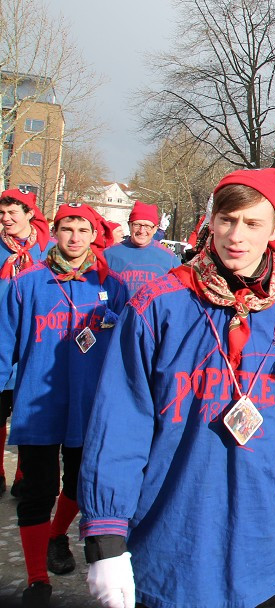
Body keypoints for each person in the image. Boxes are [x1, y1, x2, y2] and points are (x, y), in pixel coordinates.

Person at [78, 168, 275, 608]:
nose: (237, 236)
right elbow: (119, 427)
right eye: (227, 220)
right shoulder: (157, 306)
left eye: (252, 223)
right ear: (210, 222)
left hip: (262, 551)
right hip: (168, 548)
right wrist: (106, 538)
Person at [0, 203, 128, 607]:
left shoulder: (114, 285)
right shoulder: (27, 284)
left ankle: (58, 535)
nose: (74, 238)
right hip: (39, 405)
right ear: (53, 233)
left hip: (88, 408)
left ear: (95, 236)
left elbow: (130, 348)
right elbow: (4, 344)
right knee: (37, 490)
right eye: (66, 229)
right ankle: (38, 579)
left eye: (82, 230)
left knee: (77, 485)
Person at [0, 188, 53, 498]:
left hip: (35, 341)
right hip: (2, 338)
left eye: (12, 213)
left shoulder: (46, 251)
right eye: (2, 214)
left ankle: (24, 474)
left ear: (30, 214)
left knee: (27, 409)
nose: (6, 219)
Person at [104, 201, 180, 295]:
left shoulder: (169, 258)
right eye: (137, 224)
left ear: (155, 229)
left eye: (147, 226)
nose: (141, 230)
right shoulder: (109, 254)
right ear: (129, 225)